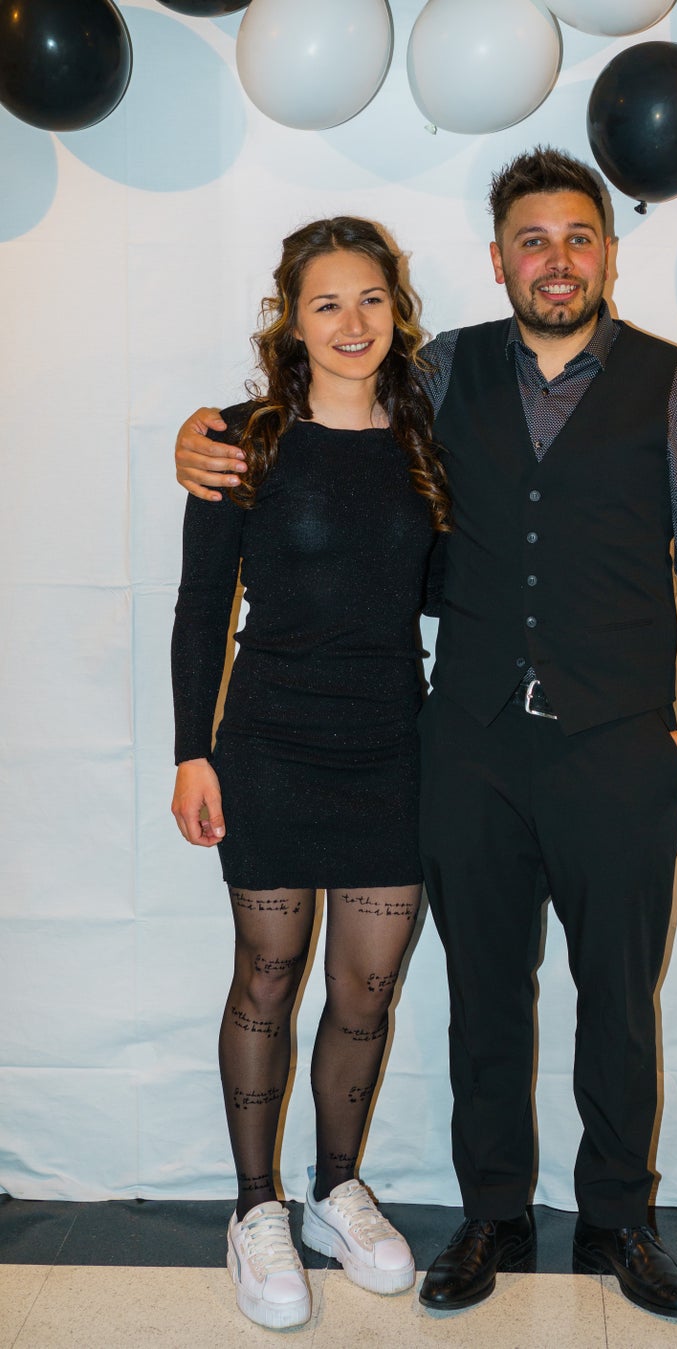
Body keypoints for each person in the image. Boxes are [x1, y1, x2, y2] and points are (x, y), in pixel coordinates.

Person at [174, 148, 677, 1322]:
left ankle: (619, 1219)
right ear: (499, 261)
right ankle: (492, 1209)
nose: (558, 258)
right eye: (533, 240)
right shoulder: (440, 373)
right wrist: (205, 433)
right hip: (470, 745)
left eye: (579, 236)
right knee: (484, 991)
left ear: (607, 252)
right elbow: (318, 422)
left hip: (619, 747)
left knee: (616, 994)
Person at [170, 216, 450, 1331]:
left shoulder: (427, 440)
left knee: (365, 991)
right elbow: (203, 606)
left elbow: (448, 589)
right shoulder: (241, 441)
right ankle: (255, 1206)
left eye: (371, 298)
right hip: (271, 747)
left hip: (392, 746)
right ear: (291, 319)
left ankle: (337, 1187)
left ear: (398, 310)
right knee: (269, 977)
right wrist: (191, 750)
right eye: (327, 302)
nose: (352, 321)